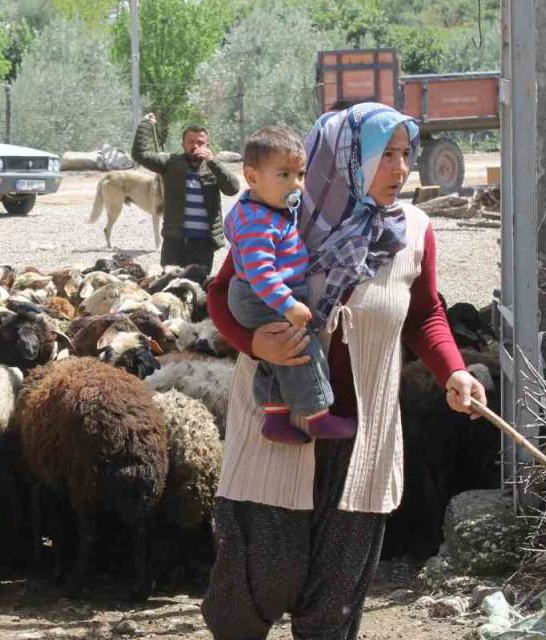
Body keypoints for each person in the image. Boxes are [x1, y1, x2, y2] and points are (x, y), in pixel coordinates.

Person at [200, 103, 488, 640]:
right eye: (386, 156)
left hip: (361, 434)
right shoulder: (282, 214)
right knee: (261, 574)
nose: (401, 170)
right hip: (276, 423)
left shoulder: (413, 231)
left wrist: (453, 371)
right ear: (346, 158)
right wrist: (253, 340)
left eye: (406, 155)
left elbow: (425, 312)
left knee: (335, 596)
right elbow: (222, 293)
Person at [223, 126, 356, 445]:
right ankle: (318, 417)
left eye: (300, 175)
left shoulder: (263, 209)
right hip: (263, 297)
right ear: (252, 177)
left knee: (275, 356)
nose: (295, 184)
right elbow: (261, 273)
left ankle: (275, 416)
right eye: (284, 175)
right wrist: (288, 305)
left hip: (258, 295)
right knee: (300, 347)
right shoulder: (259, 224)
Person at [131, 112, 241, 270]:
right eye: (190, 142)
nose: (195, 146)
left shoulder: (214, 167)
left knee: (198, 288)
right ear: (183, 144)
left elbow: (233, 189)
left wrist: (213, 162)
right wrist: (146, 126)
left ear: (207, 145)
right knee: (168, 288)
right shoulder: (170, 163)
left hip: (203, 244)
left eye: (200, 142)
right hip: (175, 242)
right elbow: (140, 154)